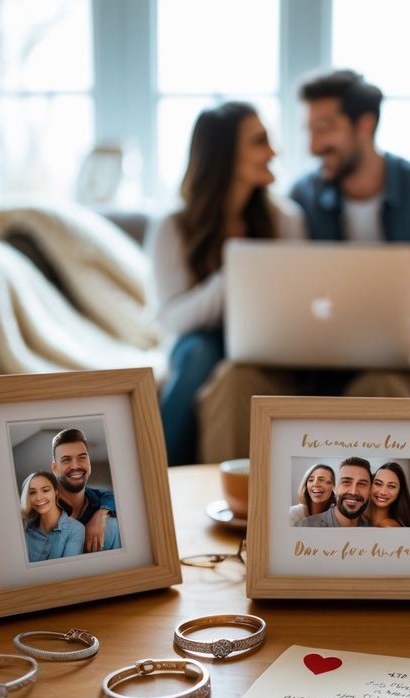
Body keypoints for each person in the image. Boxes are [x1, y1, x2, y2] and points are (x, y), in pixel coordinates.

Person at [196, 69, 410, 463]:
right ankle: (224, 504)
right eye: (309, 131)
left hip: (405, 352)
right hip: (321, 355)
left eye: (325, 128)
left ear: (364, 125)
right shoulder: (304, 195)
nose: (314, 145)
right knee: (234, 379)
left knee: (402, 378)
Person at [148, 101, 306, 465]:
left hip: (270, 340)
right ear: (224, 154)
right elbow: (174, 319)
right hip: (200, 343)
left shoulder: (286, 220)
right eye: (259, 141)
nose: (273, 151)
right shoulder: (172, 227)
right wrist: (237, 273)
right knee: (199, 351)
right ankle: (161, 475)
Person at [51, 428, 121, 552]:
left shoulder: (99, 500)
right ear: (55, 468)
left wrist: (101, 515)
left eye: (82, 457)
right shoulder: (44, 512)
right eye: (66, 460)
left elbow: (113, 496)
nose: (75, 466)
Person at [20, 471, 84, 562]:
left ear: (56, 491)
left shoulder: (76, 529)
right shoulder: (26, 530)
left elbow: (68, 571)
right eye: (32, 492)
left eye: (45, 490)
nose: (39, 497)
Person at [298, 457, 373, 527]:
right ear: (334, 488)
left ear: (370, 490)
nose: (353, 492)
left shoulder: (372, 526)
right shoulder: (306, 524)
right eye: (346, 482)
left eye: (362, 484)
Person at [365, 461, 410, 528]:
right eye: (378, 484)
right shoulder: (361, 518)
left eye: (391, 486)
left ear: (400, 491)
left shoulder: (388, 526)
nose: (383, 492)